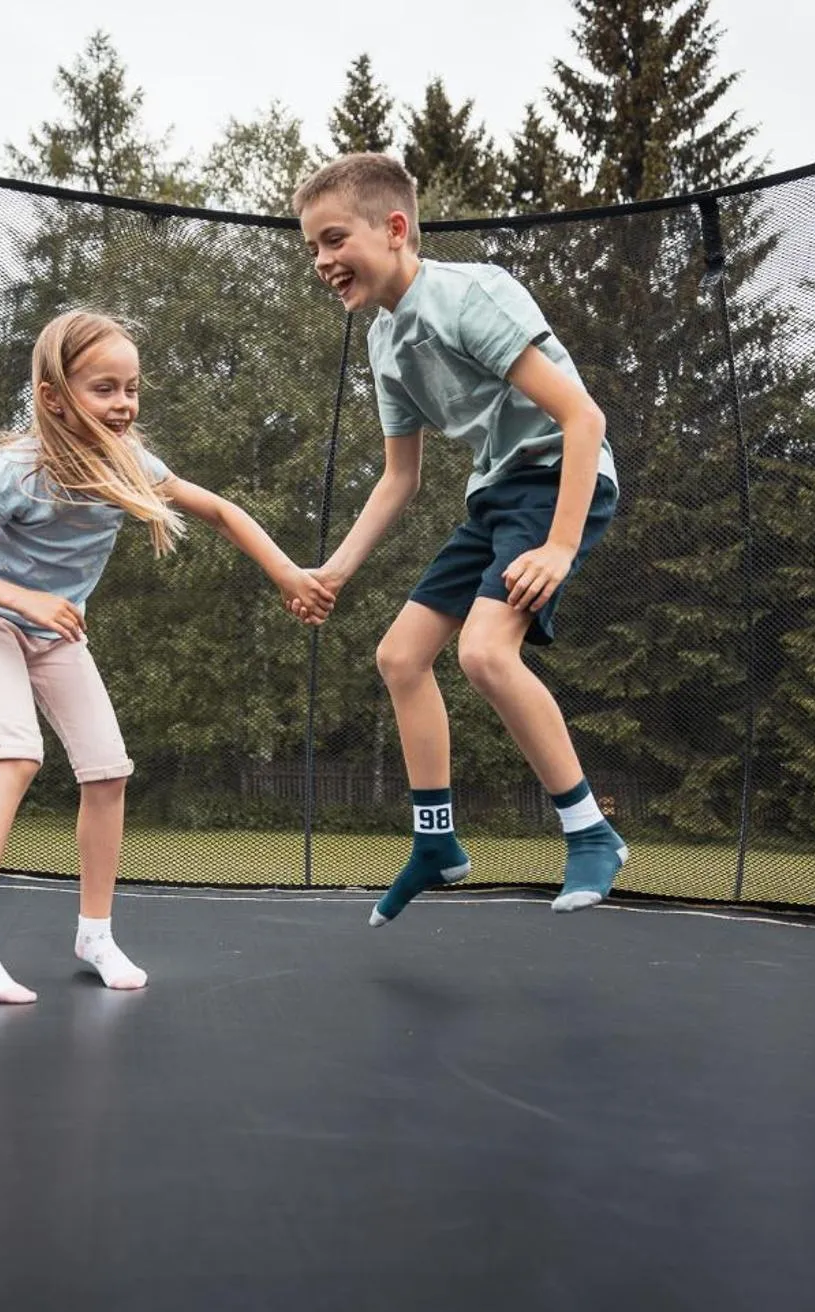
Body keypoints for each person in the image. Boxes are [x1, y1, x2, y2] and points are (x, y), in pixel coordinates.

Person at [0, 310, 332, 1003]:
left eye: (131, 388)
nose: (124, 404)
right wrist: (27, 601)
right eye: (104, 388)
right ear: (54, 396)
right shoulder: (19, 471)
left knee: (108, 770)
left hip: (55, 631)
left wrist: (288, 573)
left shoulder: (130, 462)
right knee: (17, 754)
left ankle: (95, 932)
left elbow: (222, 511)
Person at [292, 152, 627, 925]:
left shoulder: (468, 296)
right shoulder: (384, 342)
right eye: (312, 247)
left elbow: (584, 417)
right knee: (400, 656)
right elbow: (398, 479)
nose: (323, 261)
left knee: (483, 651)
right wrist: (334, 571)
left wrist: (560, 546)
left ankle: (591, 831)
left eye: (334, 239)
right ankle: (437, 841)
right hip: (497, 498)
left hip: (557, 479)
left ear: (396, 228)